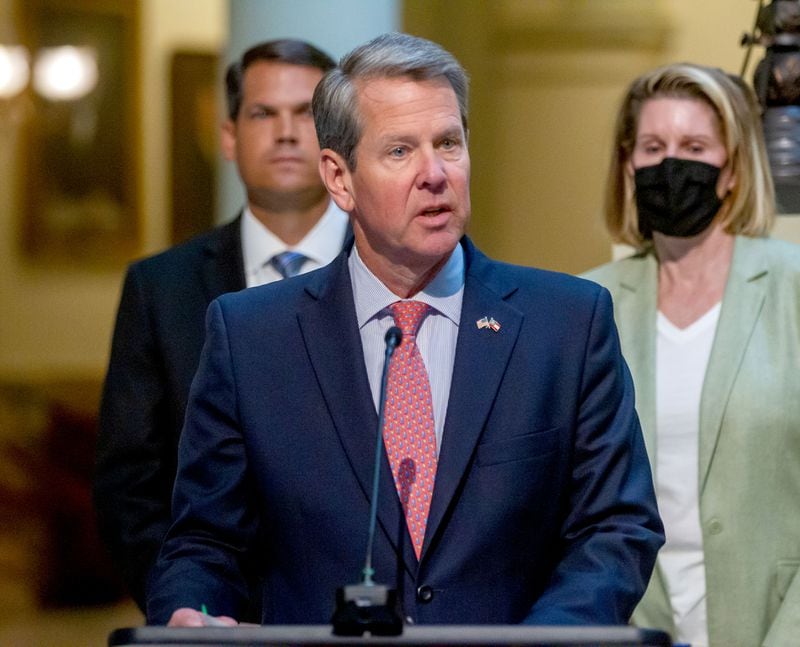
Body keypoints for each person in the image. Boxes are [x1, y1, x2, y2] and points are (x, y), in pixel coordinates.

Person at [146, 32, 663, 628]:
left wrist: (541, 643)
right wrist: (192, 613)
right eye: (400, 151)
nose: (435, 173)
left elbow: (616, 527)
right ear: (340, 179)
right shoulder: (251, 337)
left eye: (449, 143)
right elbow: (205, 543)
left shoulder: (568, 324)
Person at [93, 39, 350, 611]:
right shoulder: (161, 289)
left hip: (365, 610)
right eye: (263, 113)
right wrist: (187, 605)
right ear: (229, 136)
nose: (286, 132)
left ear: (341, 138)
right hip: (210, 615)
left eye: (306, 113)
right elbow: (129, 482)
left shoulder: (396, 269)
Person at [583, 62, 800, 646]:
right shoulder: (587, 307)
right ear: (628, 164)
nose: (670, 165)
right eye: (653, 146)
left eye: (695, 146)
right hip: (636, 628)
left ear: (732, 168)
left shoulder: (792, 288)